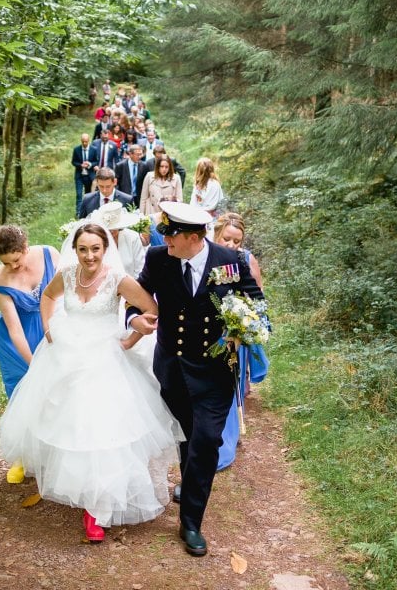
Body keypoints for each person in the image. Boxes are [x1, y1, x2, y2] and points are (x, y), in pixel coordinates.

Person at [0, 222, 183, 544]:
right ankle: (80, 488)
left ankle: (96, 508)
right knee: (69, 426)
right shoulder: (67, 274)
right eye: (83, 249)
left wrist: (131, 339)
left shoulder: (117, 278)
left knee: (101, 430)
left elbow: (151, 310)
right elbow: (48, 299)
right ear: (76, 250)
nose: (89, 255)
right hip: (65, 356)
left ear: (104, 249)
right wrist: (49, 329)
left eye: (95, 248)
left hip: (105, 358)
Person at [127, 202, 264, 557]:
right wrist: (134, 320)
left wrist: (241, 331)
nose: (164, 240)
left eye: (171, 235)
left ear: (192, 237)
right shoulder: (158, 258)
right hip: (172, 367)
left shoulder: (230, 261)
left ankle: (191, 521)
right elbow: (137, 296)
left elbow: (257, 304)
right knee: (188, 435)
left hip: (215, 370)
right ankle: (189, 487)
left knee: (206, 440)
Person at [0, 225, 60, 484]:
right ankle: (22, 455)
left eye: (16, 260)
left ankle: (58, 450)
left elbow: (68, 292)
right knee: (22, 393)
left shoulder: (50, 255)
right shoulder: (0, 282)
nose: (13, 267)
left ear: (26, 247)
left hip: (51, 326)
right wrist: (34, 364)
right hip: (17, 342)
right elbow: (15, 329)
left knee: (60, 390)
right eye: (6, 263)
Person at [210, 212, 268, 470]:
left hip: (234, 332)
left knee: (230, 385)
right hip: (208, 329)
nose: (232, 245)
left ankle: (226, 438)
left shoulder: (245, 259)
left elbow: (257, 296)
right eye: (227, 239)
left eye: (237, 241)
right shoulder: (207, 257)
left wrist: (247, 321)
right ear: (216, 234)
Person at [91, 201, 147, 278]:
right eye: (108, 229)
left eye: (115, 228)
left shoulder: (132, 237)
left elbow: (140, 268)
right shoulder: (95, 241)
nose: (111, 231)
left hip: (132, 286)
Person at [70, 133, 94, 217]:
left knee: (88, 195)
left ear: (89, 141)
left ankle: (87, 211)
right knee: (79, 194)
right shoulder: (76, 149)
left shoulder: (93, 149)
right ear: (81, 141)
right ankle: (78, 213)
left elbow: (96, 161)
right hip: (79, 176)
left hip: (89, 176)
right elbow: (73, 162)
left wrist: (90, 164)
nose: (84, 143)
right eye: (83, 142)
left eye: (86, 142)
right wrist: (80, 165)